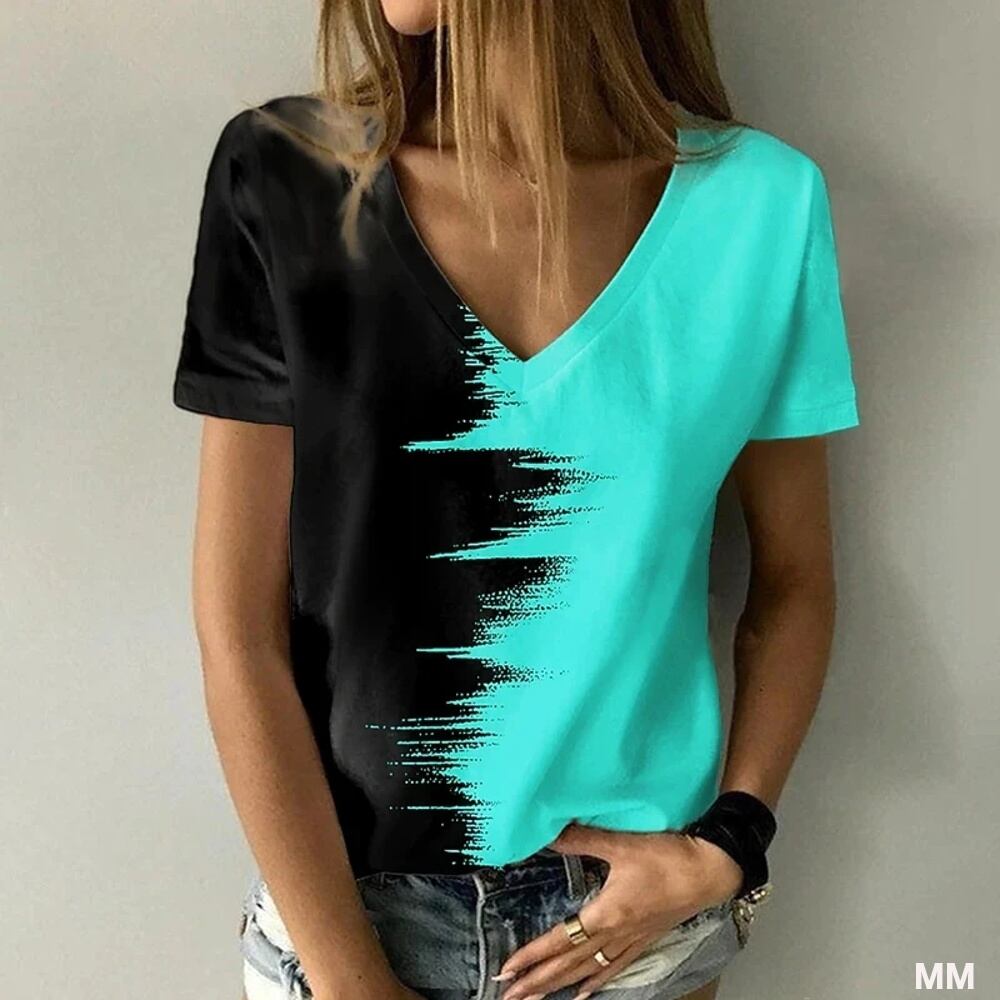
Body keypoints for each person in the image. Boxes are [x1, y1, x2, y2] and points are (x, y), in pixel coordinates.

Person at [171, 2, 860, 998]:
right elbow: (237, 630)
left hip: (624, 930)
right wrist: (355, 982)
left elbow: (794, 582)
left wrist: (730, 844)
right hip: (344, 917)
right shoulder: (285, 176)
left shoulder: (762, 206)